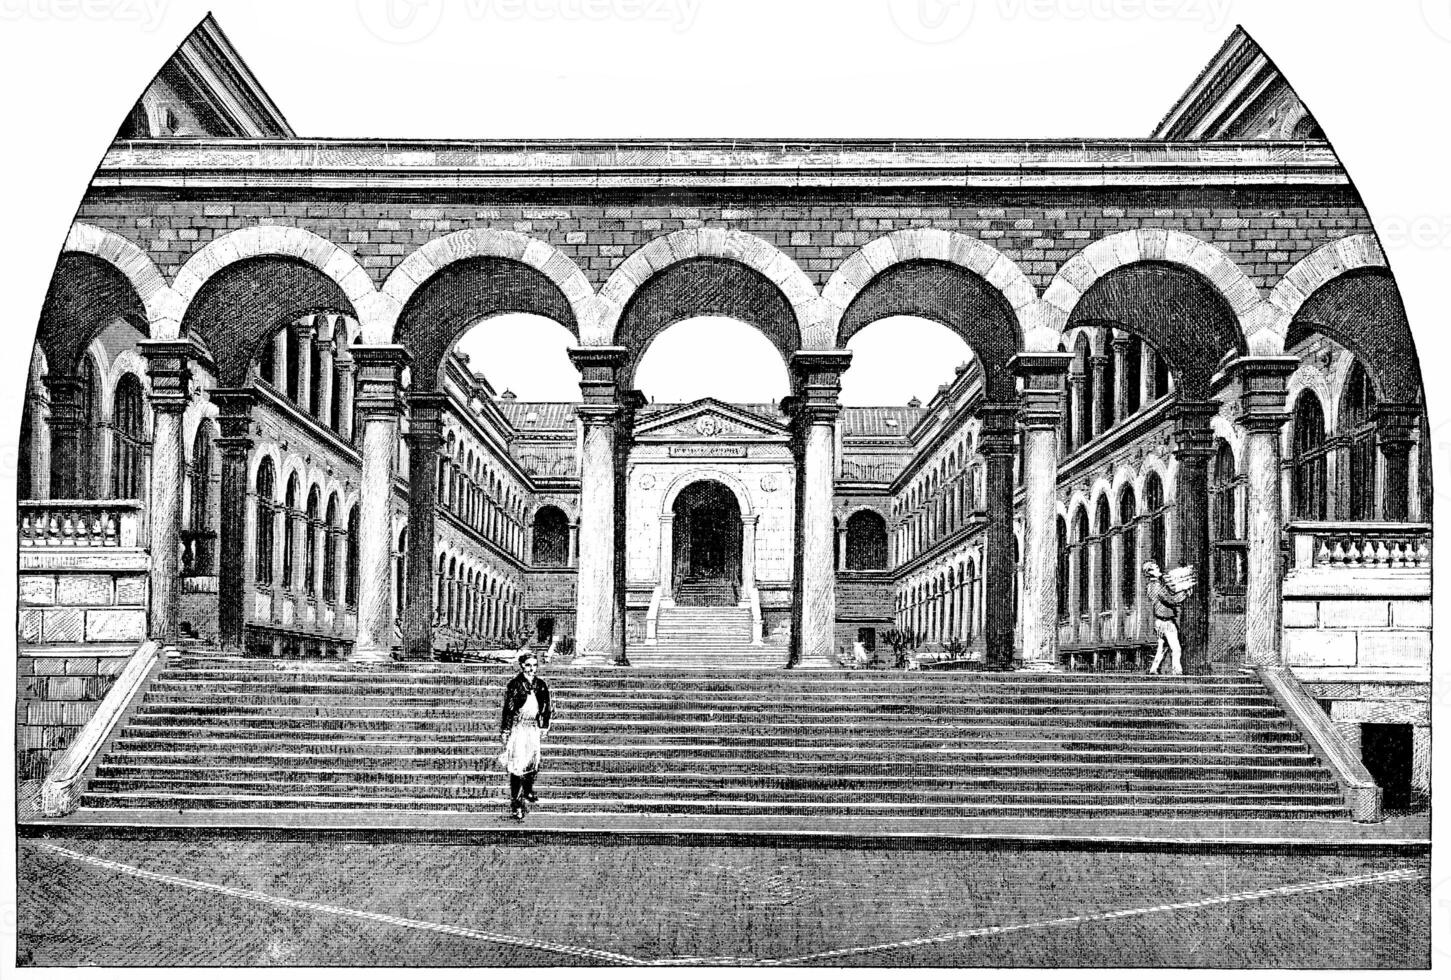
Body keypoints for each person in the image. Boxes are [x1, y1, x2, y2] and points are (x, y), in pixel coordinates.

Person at [499, 652, 551, 820]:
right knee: (518, 766)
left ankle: (528, 790)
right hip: (519, 728)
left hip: (533, 728)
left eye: (534, 665)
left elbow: (546, 707)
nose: (531, 669)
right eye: (528, 665)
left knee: (532, 762)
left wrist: (544, 725)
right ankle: (517, 803)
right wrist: (506, 730)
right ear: (522, 666)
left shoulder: (540, 684)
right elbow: (508, 709)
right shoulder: (515, 684)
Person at [1143, 560, 1189, 675]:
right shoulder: (1158, 586)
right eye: (1156, 568)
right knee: (1176, 648)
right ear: (1150, 572)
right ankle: (1177, 671)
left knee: (1162, 648)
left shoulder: (1150, 586)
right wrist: (1185, 593)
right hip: (1166, 622)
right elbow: (1171, 600)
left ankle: (1153, 669)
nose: (1159, 570)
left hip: (1159, 622)